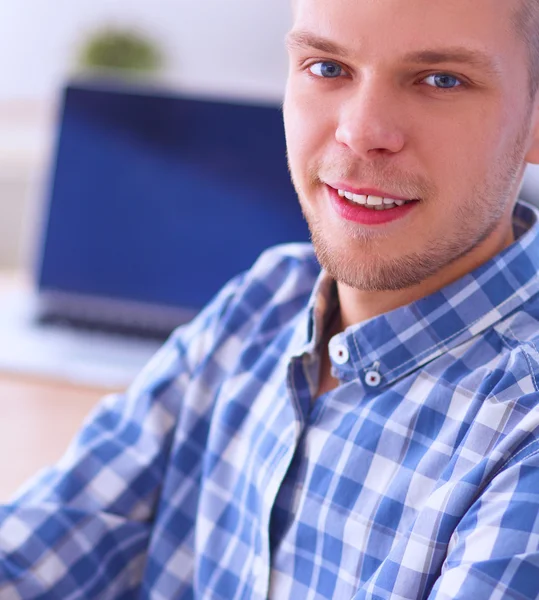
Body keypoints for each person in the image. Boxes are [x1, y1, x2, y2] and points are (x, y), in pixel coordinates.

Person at [2, 0, 539, 597]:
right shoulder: (265, 299)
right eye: (327, 67)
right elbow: (43, 547)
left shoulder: (524, 429)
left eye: (442, 79)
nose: (361, 131)